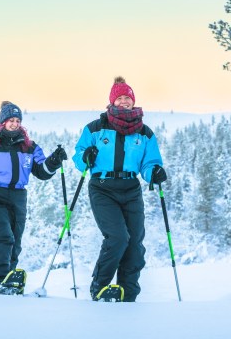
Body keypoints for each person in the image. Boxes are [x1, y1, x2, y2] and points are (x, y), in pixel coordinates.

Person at [72, 77, 167, 302]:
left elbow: (149, 161)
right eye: (120, 98)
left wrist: (154, 172)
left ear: (133, 101)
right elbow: (79, 154)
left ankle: (128, 292)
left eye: (128, 98)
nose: (124, 101)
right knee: (117, 237)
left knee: (134, 241)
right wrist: (85, 156)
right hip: (103, 187)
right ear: (112, 101)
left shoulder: (144, 132)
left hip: (131, 187)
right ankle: (100, 287)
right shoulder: (96, 127)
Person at [0, 101, 67, 294]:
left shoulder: (30, 147)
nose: (14, 124)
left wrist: (54, 161)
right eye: (10, 120)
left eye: (17, 120)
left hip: (17, 196)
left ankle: (10, 282)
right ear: (2, 122)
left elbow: (42, 171)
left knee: (15, 241)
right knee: (2, 235)